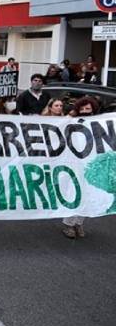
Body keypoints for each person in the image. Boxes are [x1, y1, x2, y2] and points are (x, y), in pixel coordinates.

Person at [62, 96, 100, 239]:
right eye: (82, 109)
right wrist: (71, 114)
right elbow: (58, 125)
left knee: (88, 194)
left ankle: (79, 222)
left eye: (88, 109)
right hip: (74, 163)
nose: (85, 111)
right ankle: (69, 224)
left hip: (91, 164)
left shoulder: (98, 123)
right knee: (74, 193)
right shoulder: (71, 122)